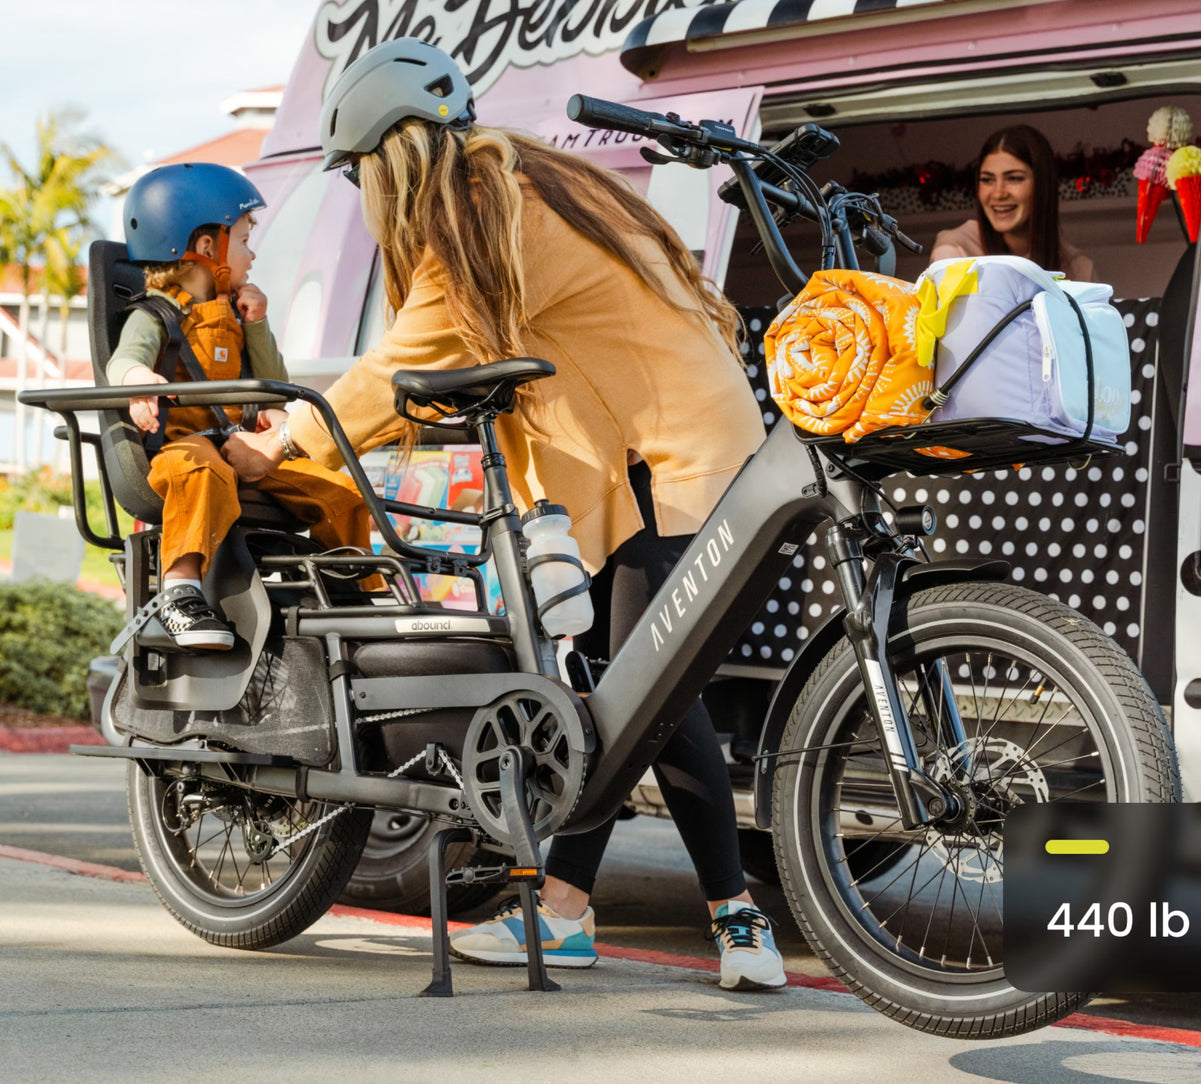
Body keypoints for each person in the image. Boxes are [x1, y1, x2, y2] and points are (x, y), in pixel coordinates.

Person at [221, 38, 787, 990]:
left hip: (660, 460)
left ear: (390, 156)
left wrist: (285, 443)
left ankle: (737, 919)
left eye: (357, 172)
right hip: (667, 446)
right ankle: (562, 912)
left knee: (653, 698)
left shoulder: (481, 210)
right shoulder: (529, 176)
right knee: (618, 693)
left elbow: (408, 356)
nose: (360, 193)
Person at [113, 163, 374, 651]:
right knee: (201, 471)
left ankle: (350, 590)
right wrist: (138, 381)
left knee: (341, 489)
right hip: (182, 447)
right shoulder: (156, 313)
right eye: (245, 240)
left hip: (241, 445)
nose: (253, 254)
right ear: (207, 247)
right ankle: (180, 592)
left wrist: (256, 324)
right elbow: (124, 359)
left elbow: (276, 387)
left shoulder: (238, 312)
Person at [930, 124, 1094, 282]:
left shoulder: (1078, 268)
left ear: (1043, 185)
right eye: (987, 179)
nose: (998, 193)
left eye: (1014, 178)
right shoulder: (954, 251)